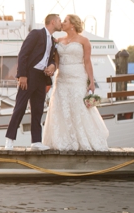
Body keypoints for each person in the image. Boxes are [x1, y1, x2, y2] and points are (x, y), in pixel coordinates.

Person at [40, 14, 109, 151]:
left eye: (65, 21)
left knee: (78, 106)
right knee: (61, 107)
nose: (63, 23)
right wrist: (51, 71)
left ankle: (83, 139)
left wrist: (91, 81)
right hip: (62, 79)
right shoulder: (58, 40)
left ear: (72, 24)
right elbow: (57, 62)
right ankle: (64, 141)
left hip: (78, 77)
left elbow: (87, 62)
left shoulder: (84, 41)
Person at [4, 13, 61, 150]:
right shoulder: (36, 33)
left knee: (38, 109)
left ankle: (36, 141)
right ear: (52, 22)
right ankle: (9, 140)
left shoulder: (52, 40)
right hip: (29, 76)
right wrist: (22, 75)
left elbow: (51, 58)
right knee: (20, 107)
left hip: (42, 77)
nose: (61, 23)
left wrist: (52, 66)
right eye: (59, 20)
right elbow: (23, 53)